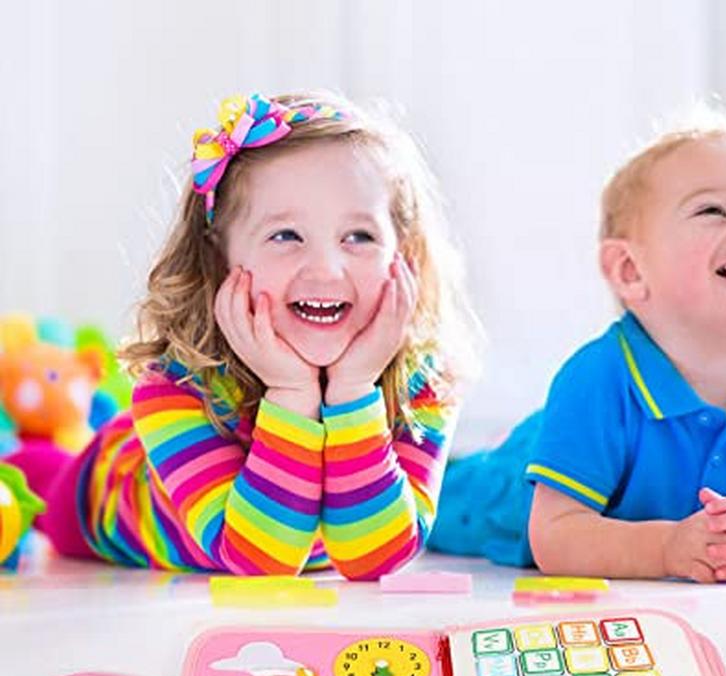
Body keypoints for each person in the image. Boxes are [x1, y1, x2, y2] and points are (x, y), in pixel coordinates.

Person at [5, 91, 477, 579]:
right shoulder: (174, 387)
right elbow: (261, 562)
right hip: (105, 492)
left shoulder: (425, 379)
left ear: (406, 255)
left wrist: (354, 390)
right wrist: (291, 392)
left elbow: (375, 559)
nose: (325, 268)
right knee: (34, 473)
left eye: (359, 236)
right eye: (286, 236)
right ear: (218, 258)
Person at [429, 106, 726, 582]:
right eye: (713, 210)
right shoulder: (599, 377)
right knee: (441, 498)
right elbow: (556, 535)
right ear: (631, 271)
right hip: (509, 481)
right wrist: (665, 548)